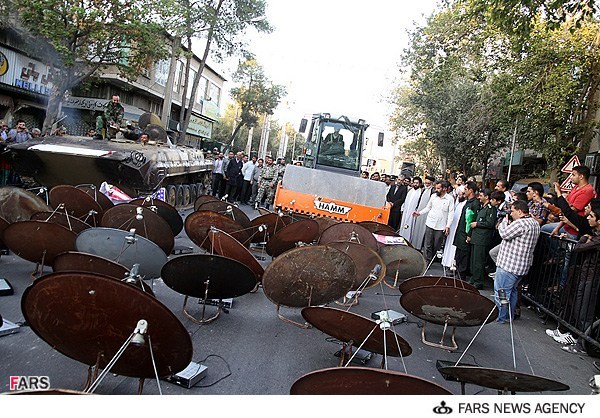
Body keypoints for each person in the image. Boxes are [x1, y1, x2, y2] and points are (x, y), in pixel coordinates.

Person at [493, 200, 541, 323]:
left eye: (513, 211)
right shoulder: (534, 224)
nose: (511, 213)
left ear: (520, 212)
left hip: (509, 265)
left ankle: (502, 317)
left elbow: (504, 233)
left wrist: (504, 221)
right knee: (513, 292)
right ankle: (509, 316)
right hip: (522, 266)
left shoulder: (520, 224)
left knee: (502, 292)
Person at [542, 166, 596, 238]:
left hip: (574, 229)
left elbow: (569, 211)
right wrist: (557, 227)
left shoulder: (587, 191)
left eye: (573, 175)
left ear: (581, 176)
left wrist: (558, 193)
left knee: (544, 230)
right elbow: (567, 206)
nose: (571, 177)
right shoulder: (575, 188)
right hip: (566, 224)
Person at [413, 180, 454, 264]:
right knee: (427, 243)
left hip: (441, 226)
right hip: (430, 223)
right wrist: (419, 213)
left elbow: (451, 213)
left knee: (436, 245)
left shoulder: (450, 199)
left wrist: (448, 226)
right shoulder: (433, 196)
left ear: (444, 189)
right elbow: (428, 207)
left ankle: (432, 259)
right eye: (436, 188)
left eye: (438, 188)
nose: (436, 190)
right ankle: (426, 261)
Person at [468, 188, 497, 289]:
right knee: (473, 260)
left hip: (482, 239)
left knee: (478, 261)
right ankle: (473, 277)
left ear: (487, 197)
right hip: (476, 238)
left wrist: (477, 224)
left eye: (481, 195)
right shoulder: (482, 207)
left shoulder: (491, 209)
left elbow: (490, 223)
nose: (479, 197)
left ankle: (478, 281)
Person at [453, 181, 480, 281]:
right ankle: (457, 271)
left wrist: (469, 234)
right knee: (459, 254)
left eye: (465, 189)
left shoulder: (475, 204)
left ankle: (461, 275)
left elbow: (472, 220)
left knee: (464, 255)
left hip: (466, 233)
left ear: (471, 190)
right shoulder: (467, 202)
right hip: (460, 232)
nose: (464, 191)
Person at [442, 187, 466, 269]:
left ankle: (452, 263)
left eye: (461, 195)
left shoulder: (466, 203)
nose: (459, 196)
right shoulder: (458, 202)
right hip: (453, 226)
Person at [410, 175, 436, 250]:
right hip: (420, 213)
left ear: (432, 183)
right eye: (426, 183)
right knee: (417, 229)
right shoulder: (423, 190)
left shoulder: (433, 191)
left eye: (428, 183)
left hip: (427, 214)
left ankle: (420, 247)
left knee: (423, 231)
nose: (427, 185)